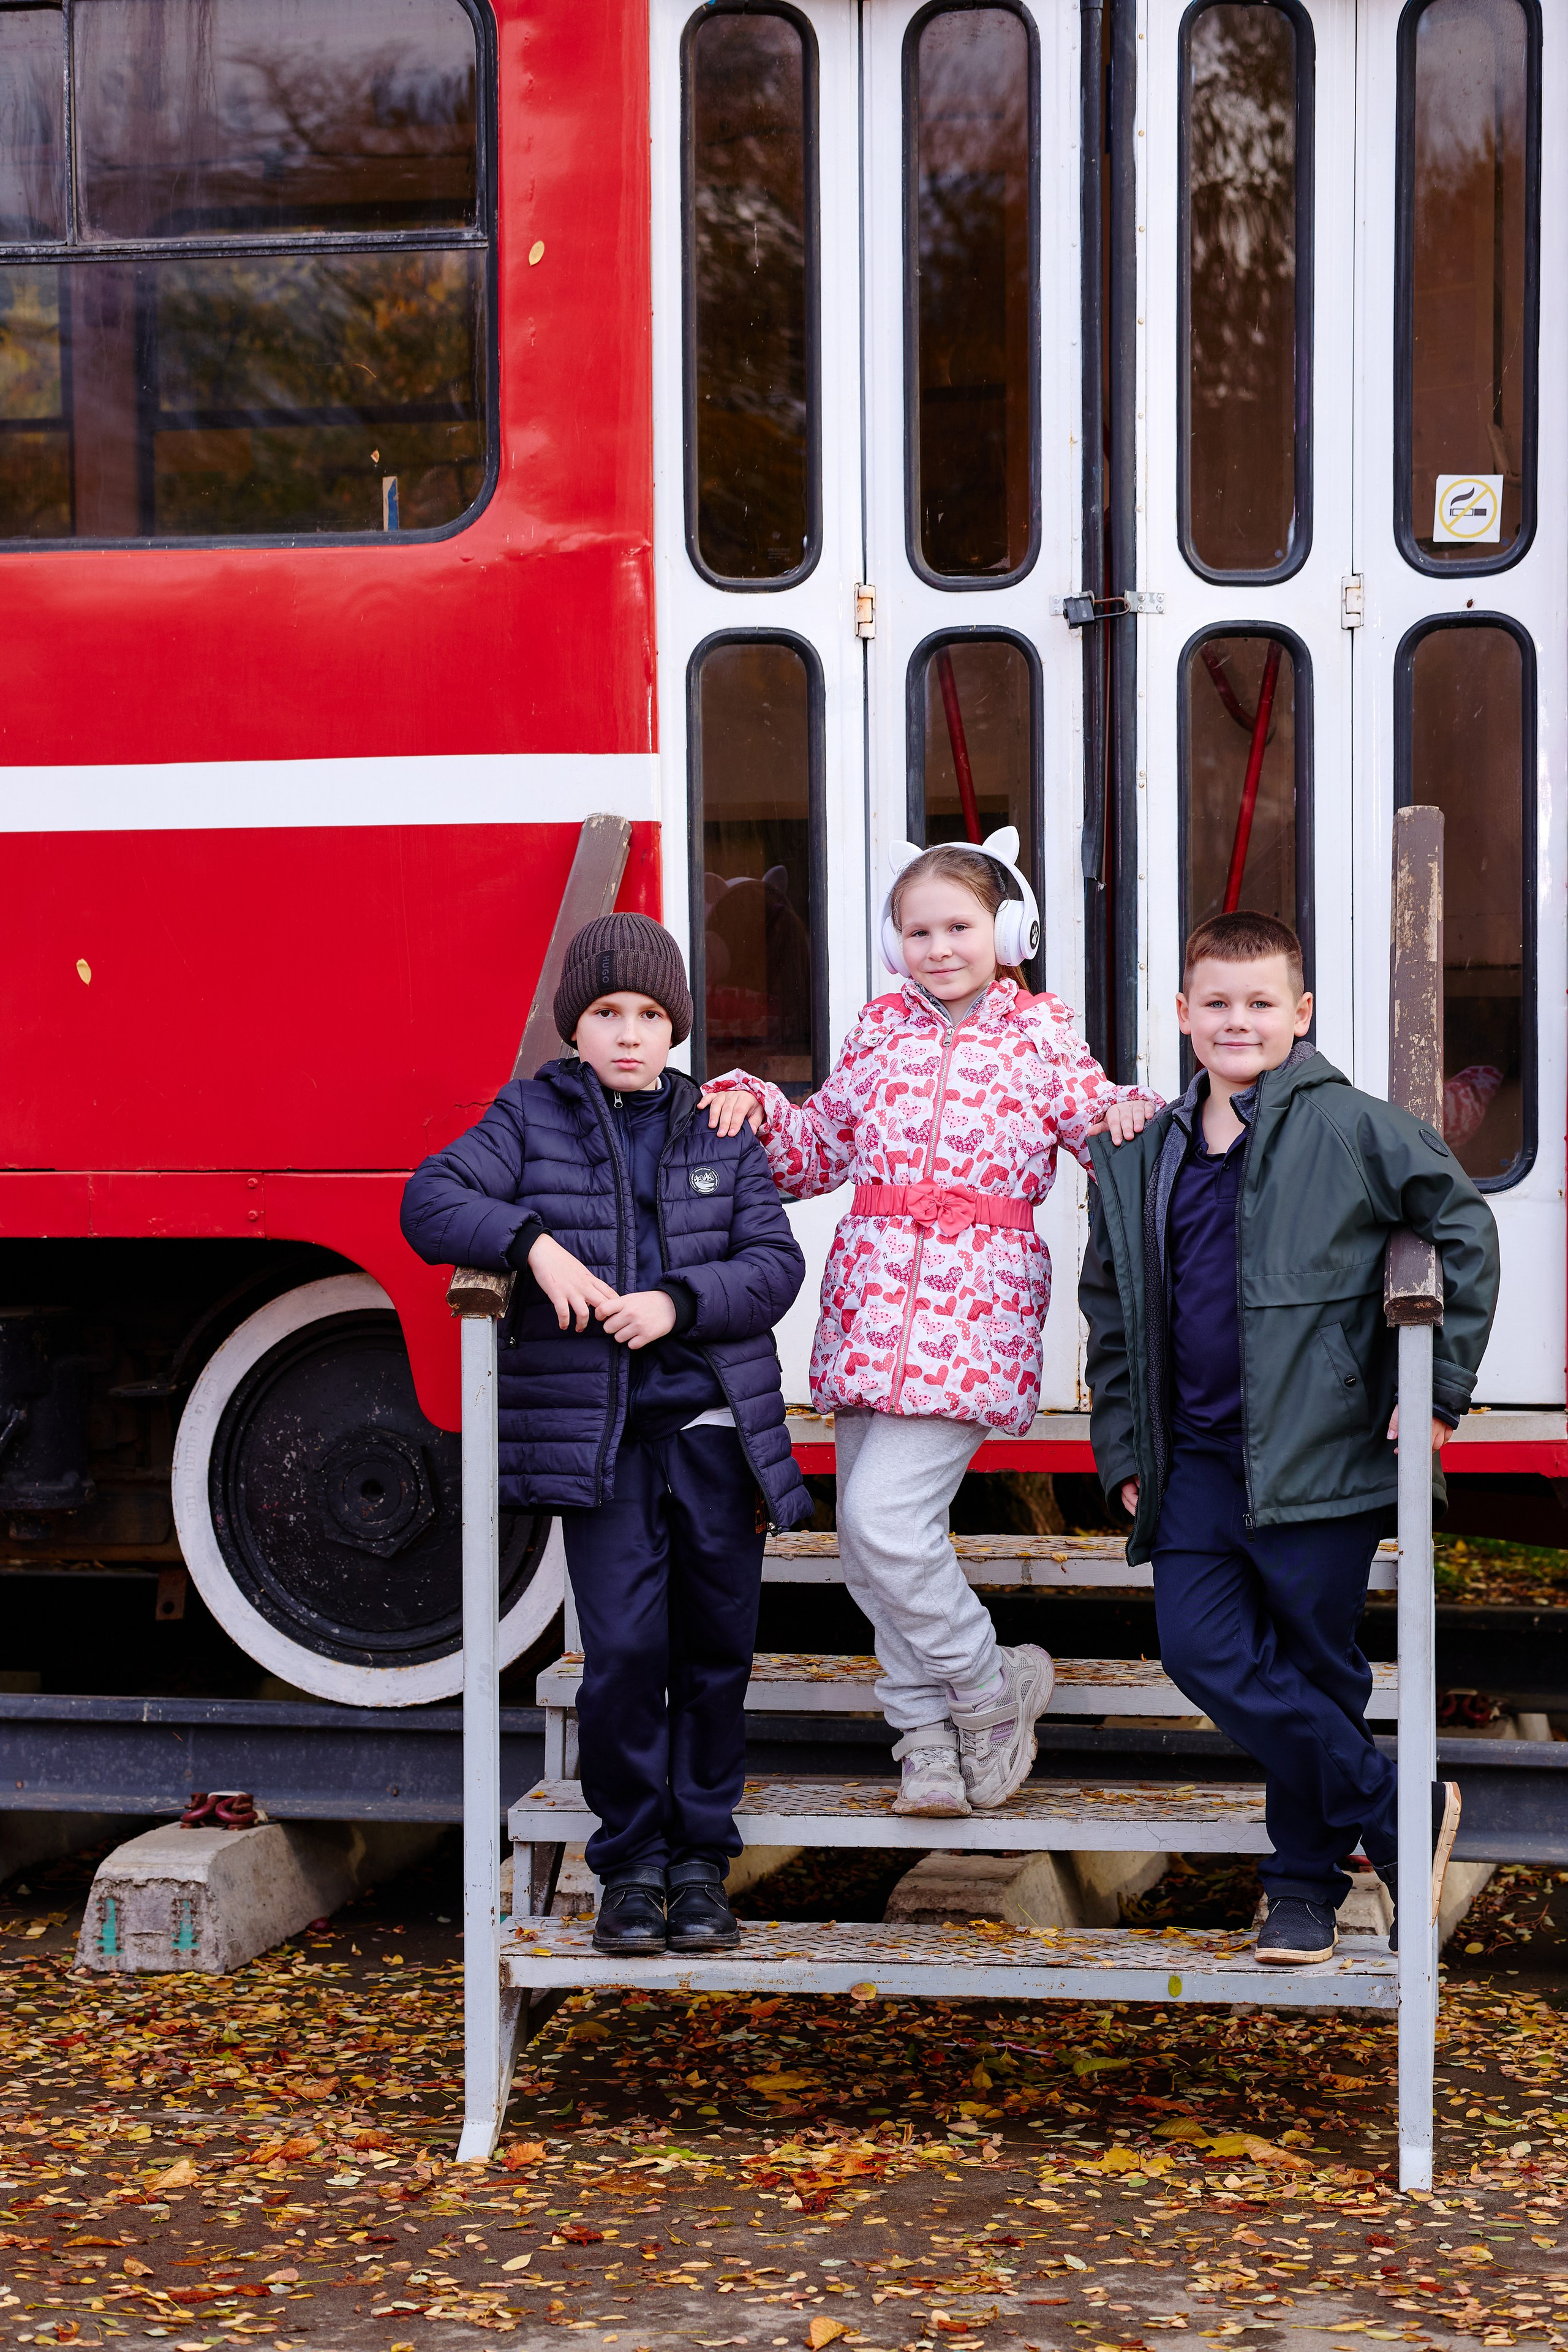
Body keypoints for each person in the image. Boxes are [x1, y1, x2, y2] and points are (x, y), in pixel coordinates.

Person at [703, 832, 1158, 1819]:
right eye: (918, 930)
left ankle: (992, 1688)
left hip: (971, 1318)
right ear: (892, 940)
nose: (939, 945)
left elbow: (1098, 1117)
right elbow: (817, 1151)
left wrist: (1135, 1117)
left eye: (960, 925)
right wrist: (757, 1107)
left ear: (1009, 930)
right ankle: (925, 1743)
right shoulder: (877, 1034)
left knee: (881, 1521)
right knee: (871, 1550)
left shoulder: (1040, 1037)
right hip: (869, 1313)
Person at [1079, 909, 1500, 1962]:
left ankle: (1302, 1893)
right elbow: (1114, 1313)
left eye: (1262, 1002)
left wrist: (1439, 1388)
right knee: (1200, 1649)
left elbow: (1466, 1231)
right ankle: (1399, 1809)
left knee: (1316, 1671)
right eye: (1216, 1003)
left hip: (1327, 1456)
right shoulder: (1145, 1156)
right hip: (1197, 1463)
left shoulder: (1354, 1126)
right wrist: (1126, 1447)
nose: (1239, 1021)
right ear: (1183, 1015)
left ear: (1300, 1014)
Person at [400, 913, 813, 1957]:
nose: (629, 1033)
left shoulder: (718, 1125)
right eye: (605, 1013)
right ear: (572, 1025)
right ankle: (629, 1864)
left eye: (649, 1014)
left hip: (715, 1433)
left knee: (716, 1653)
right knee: (626, 1654)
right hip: (607, 1440)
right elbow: (429, 1199)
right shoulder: (528, 1116)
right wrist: (531, 1245)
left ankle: (699, 1866)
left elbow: (774, 1267)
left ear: (674, 1025)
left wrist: (677, 1301)